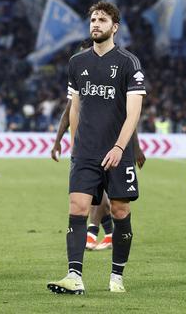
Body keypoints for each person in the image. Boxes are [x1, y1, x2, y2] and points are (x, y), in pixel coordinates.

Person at [47, 1, 146, 294]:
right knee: (77, 208)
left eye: (102, 20)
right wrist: (75, 144)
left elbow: (133, 113)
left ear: (114, 27)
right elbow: (74, 107)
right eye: (92, 19)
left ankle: (117, 277)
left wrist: (119, 147)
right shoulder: (77, 63)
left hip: (118, 154)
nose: (95, 24)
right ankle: (74, 276)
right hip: (85, 153)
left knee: (119, 211)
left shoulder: (129, 63)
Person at [50, 41, 147, 251]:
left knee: (111, 203)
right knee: (90, 200)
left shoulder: (123, 66)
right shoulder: (80, 74)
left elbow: (128, 118)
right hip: (88, 150)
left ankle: (100, 233)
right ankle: (99, 235)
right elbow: (70, 112)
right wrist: (61, 141)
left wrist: (134, 148)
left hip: (115, 150)